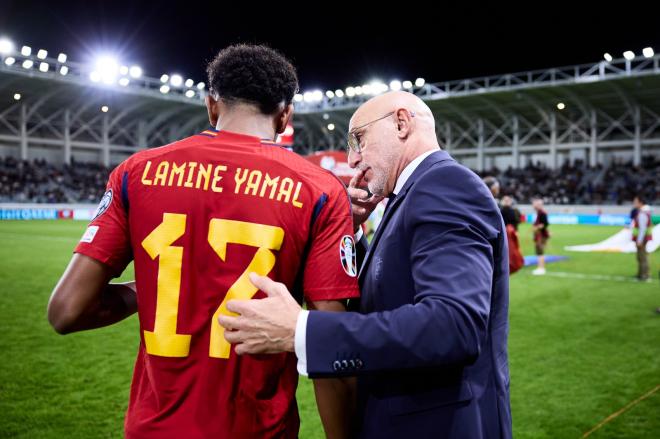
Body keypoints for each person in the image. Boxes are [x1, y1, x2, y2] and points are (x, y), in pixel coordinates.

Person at [47, 44, 360, 438]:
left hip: (152, 429)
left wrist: (152, 287)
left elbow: (66, 311)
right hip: (258, 430)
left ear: (211, 105)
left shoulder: (137, 172)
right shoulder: (319, 189)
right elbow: (327, 343)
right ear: (285, 115)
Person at [219, 91, 512, 438]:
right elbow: (392, 290)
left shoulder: (445, 185)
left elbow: (454, 324)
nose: (352, 159)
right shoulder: (413, 194)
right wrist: (352, 232)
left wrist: (303, 330)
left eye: (359, 139)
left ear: (402, 123)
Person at [631, 195, 651, 281]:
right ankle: (641, 274)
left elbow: (642, 229)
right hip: (643, 238)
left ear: (640, 203)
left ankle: (644, 275)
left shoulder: (642, 213)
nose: (634, 203)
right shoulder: (644, 212)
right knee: (641, 257)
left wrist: (639, 240)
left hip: (642, 239)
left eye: (635, 201)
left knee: (642, 257)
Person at [532, 197, 549, 275]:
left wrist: (536, 227)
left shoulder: (542, 213)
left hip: (540, 235)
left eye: (535, 204)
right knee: (539, 252)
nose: (534, 205)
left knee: (540, 252)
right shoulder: (539, 213)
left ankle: (541, 268)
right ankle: (540, 267)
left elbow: (545, 224)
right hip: (539, 235)